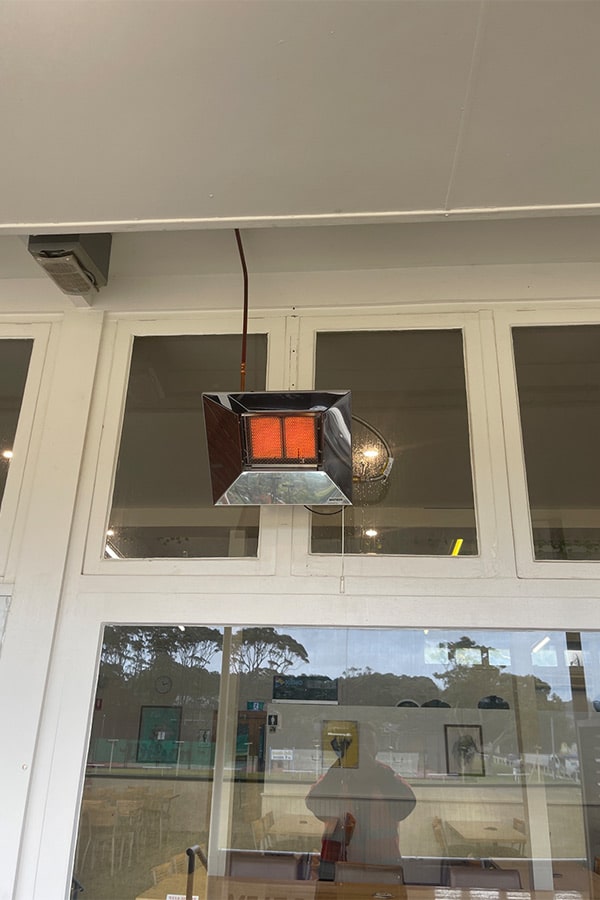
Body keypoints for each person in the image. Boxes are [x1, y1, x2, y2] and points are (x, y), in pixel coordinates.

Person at [305, 723, 416, 876]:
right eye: (358, 743)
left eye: (368, 742)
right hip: (337, 863)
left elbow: (405, 808)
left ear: (376, 748)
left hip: (381, 866)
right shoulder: (336, 774)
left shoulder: (387, 776)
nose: (363, 748)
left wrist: (378, 773)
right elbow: (316, 806)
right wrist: (340, 766)